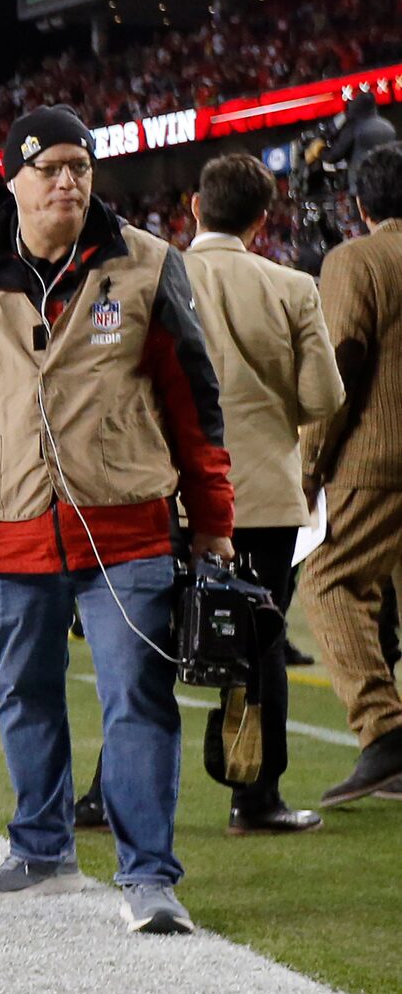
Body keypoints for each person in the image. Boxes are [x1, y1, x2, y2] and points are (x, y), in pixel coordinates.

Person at [0, 105, 232, 935]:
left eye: (81, 166)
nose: (69, 180)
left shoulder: (147, 264)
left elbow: (194, 406)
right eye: (50, 166)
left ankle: (149, 877)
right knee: (25, 694)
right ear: (13, 179)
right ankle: (42, 851)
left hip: (126, 531)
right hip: (11, 528)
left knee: (136, 697)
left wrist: (213, 522)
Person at [178, 153, 345, 831]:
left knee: (148, 643)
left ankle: (111, 793)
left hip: (175, 491)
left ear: (196, 207)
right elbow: (322, 397)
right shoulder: (291, 285)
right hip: (265, 496)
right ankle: (256, 797)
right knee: (261, 643)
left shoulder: (156, 277)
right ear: (260, 217)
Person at [305, 141, 402, 806]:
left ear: (361, 204)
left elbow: (337, 365)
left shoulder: (357, 259)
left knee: (330, 580)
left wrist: (308, 462)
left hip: (376, 458)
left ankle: (385, 733)